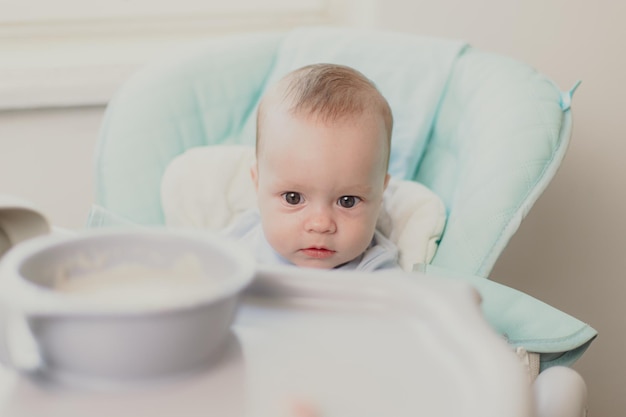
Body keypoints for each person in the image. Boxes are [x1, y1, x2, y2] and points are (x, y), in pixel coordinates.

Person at [225, 63, 399, 271]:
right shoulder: (240, 242)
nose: (320, 224)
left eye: (347, 201)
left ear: (381, 193)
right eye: (293, 198)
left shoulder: (376, 272)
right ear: (258, 182)